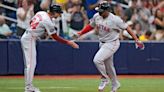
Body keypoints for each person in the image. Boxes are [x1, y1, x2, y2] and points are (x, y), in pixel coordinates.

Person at [75, 1, 144, 92]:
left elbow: (127, 27)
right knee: (109, 66)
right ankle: (115, 84)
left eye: (102, 10)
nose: (99, 12)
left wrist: (136, 39)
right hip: (102, 43)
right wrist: (82, 32)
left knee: (97, 60)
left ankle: (104, 78)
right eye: (99, 10)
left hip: (112, 43)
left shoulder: (115, 19)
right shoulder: (97, 16)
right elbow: (91, 26)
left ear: (108, 10)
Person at [21, 4, 79, 92]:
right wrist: (69, 42)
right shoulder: (48, 21)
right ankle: (28, 87)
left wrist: (40, 30)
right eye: (58, 13)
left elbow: (31, 22)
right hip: (29, 39)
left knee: (30, 64)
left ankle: (29, 86)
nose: (59, 15)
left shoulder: (41, 13)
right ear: (54, 12)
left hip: (28, 36)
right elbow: (55, 37)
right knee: (31, 64)